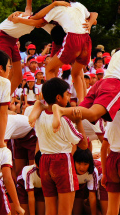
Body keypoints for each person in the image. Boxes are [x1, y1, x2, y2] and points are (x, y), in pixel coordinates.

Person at [31, 22, 120, 130]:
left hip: (101, 83)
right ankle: (60, 109)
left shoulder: (119, 52)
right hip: (115, 85)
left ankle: (44, 106)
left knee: (77, 116)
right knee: (94, 114)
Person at [33, 77, 88, 215]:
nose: (69, 96)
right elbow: (83, 144)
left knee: (50, 209)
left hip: (44, 160)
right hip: (62, 160)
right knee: (65, 211)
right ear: (58, 97)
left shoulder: (39, 116)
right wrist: (78, 121)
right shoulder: (63, 120)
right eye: (67, 94)